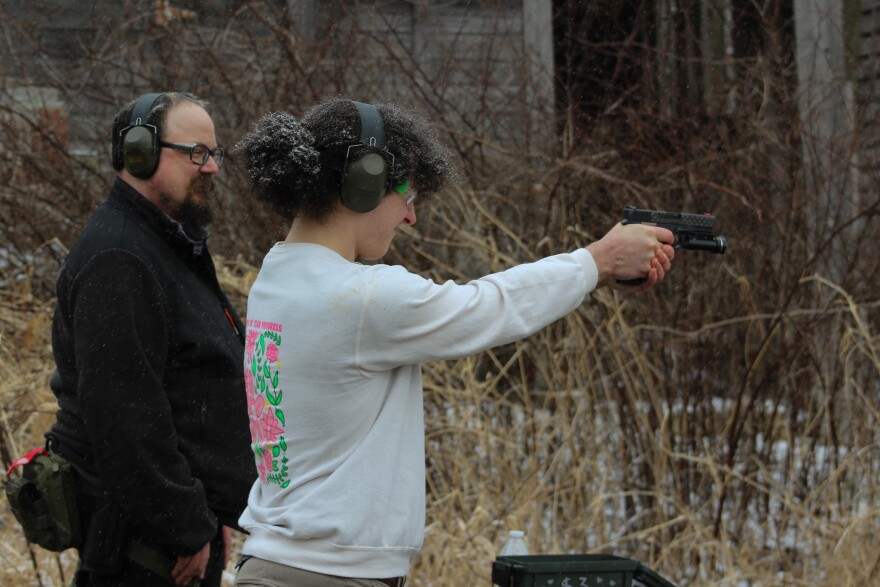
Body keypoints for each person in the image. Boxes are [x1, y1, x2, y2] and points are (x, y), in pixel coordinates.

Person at [231, 96, 675, 587]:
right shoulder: (359, 299)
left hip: (288, 568)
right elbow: (491, 307)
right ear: (365, 182)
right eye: (408, 197)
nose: (410, 218)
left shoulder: (280, 274)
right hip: (323, 577)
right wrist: (599, 260)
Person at [46, 91, 256, 587]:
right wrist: (185, 526)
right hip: (144, 557)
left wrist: (211, 516)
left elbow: (185, 388)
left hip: (172, 545)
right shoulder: (119, 259)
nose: (211, 169)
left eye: (214, 154)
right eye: (195, 153)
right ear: (137, 152)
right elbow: (125, 420)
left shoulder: (162, 246)